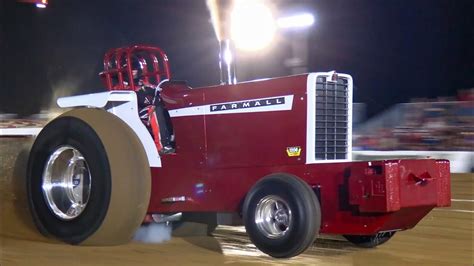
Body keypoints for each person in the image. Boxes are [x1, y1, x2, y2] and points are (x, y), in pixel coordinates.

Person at [133, 64, 175, 154]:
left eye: (135, 68)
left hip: (149, 107)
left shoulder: (142, 82)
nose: (134, 71)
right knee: (153, 109)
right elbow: (139, 99)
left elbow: (156, 89)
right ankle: (161, 146)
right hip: (135, 112)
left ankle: (172, 140)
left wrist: (156, 92)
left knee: (166, 107)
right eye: (131, 68)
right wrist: (146, 92)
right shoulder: (122, 84)